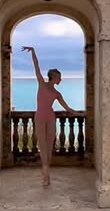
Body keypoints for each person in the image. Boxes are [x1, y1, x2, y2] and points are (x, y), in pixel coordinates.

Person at [22, 46, 80, 187]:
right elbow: (36, 66)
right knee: (42, 145)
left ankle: (46, 173)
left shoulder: (57, 94)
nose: (61, 79)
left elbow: (67, 108)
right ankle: (45, 174)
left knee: (49, 146)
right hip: (40, 117)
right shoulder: (42, 84)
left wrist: (80, 114)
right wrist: (33, 51)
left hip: (50, 117)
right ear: (54, 77)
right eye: (59, 77)